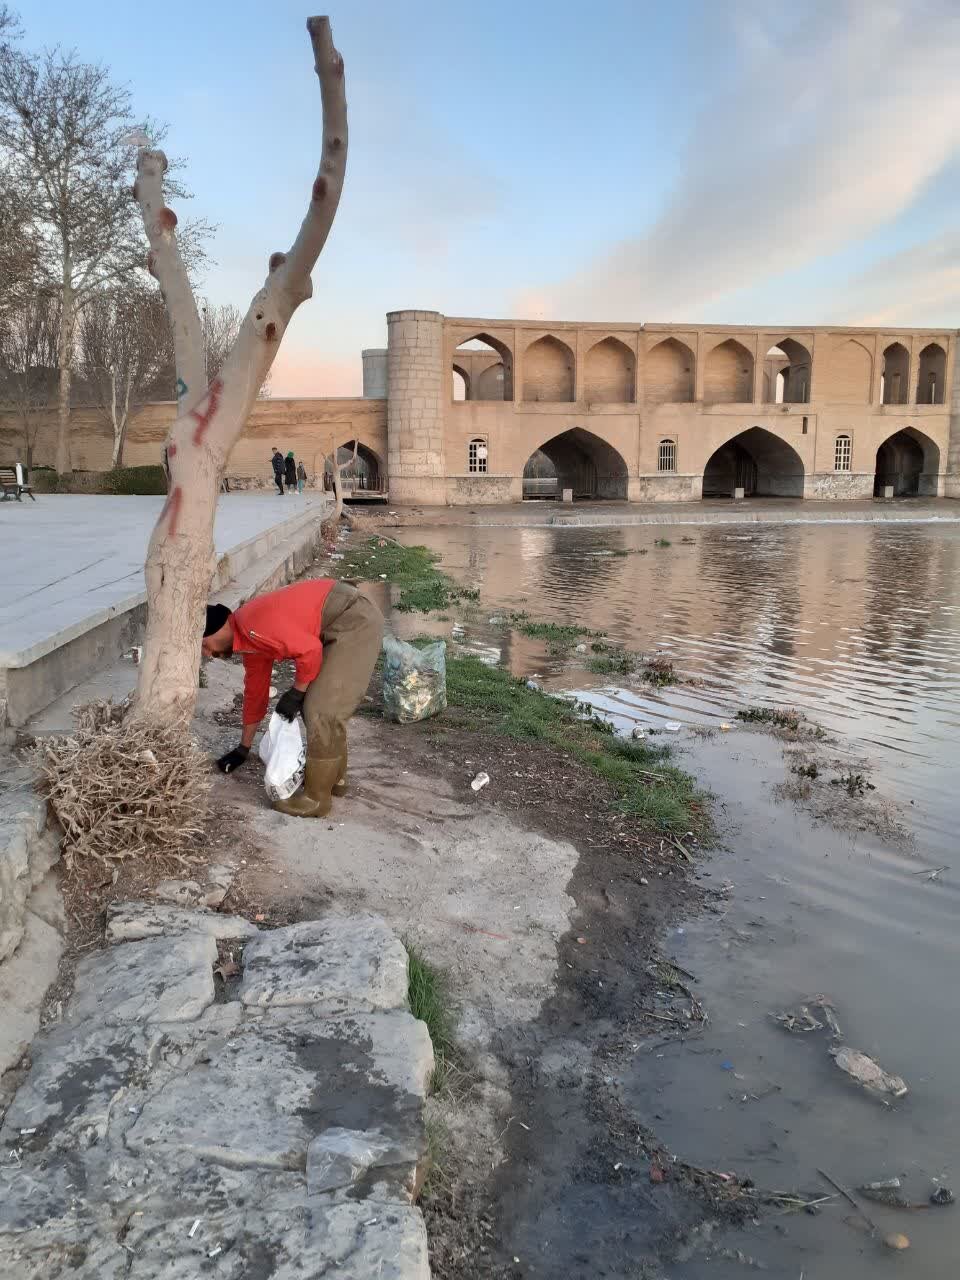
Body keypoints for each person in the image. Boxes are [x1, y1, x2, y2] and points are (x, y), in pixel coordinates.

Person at [202, 579, 383, 818]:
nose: (208, 653)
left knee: (321, 709)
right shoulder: (248, 641)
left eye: (205, 645)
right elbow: (255, 694)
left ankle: (317, 799)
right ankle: (335, 780)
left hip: (354, 617)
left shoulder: (252, 626)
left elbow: (309, 650)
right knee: (318, 706)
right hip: (336, 622)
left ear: (220, 628)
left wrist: (296, 691)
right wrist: (243, 749)